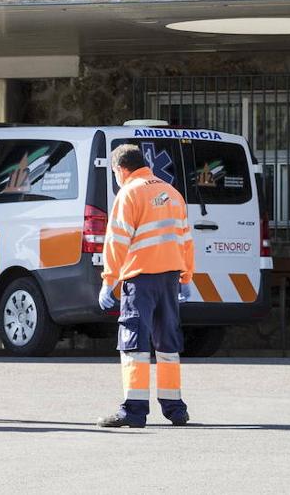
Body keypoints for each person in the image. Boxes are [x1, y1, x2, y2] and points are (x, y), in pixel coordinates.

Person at [96, 144, 195, 429]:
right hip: (169, 279)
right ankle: (175, 409)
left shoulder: (129, 193)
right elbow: (186, 238)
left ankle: (134, 410)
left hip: (140, 279)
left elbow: (117, 240)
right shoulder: (172, 193)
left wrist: (108, 281)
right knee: (168, 344)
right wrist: (186, 277)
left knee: (134, 344)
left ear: (120, 169)